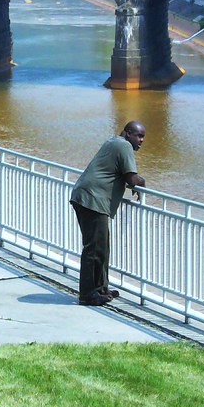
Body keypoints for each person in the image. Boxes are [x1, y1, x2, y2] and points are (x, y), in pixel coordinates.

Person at [70, 120, 146, 306]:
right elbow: (132, 178)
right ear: (128, 133)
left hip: (87, 197)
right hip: (92, 200)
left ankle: (101, 288)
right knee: (94, 248)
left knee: (101, 247)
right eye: (138, 135)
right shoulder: (124, 145)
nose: (141, 140)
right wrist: (142, 183)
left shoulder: (114, 142)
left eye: (143, 137)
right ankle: (87, 295)